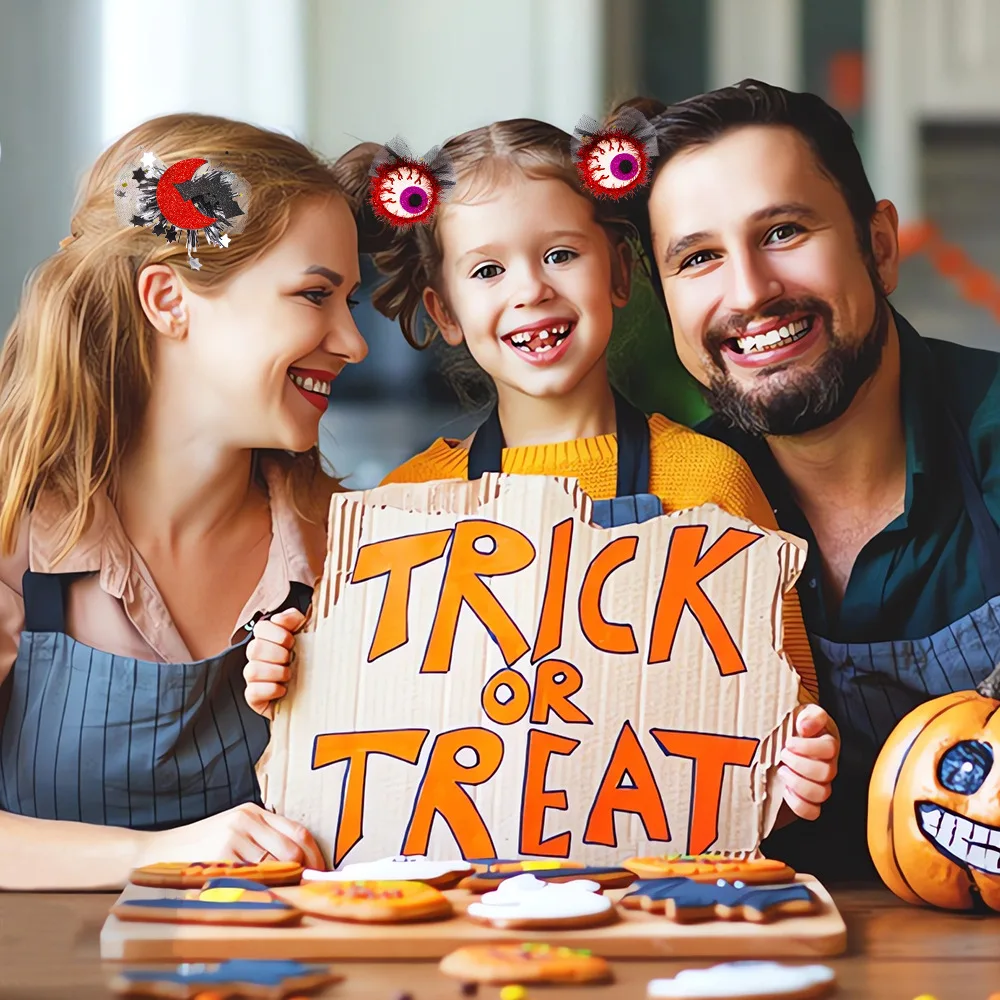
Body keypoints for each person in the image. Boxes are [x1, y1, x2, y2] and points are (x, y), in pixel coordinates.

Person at [250, 117, 841, 834]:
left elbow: (782, 691)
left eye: (561, 254)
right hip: (462, 898)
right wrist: (292, 670)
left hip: (659, 896)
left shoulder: (709, 476)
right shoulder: (404, 507)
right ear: (445, 311)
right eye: (488, 271)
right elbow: (359, 722)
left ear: (620, 273)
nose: (530, 289)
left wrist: (795, 759)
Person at [619, 78, 1000, 879]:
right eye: (698, 258)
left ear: (882, 245)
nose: (750, 291)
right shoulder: (667, 514)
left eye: (784, 230)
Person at [0, 113, 370, 890]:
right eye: (314, 295)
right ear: (168, 300)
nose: (351, 341)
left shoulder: (351, 548)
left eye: (352, 304)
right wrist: (152, 854)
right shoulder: (15, 537)